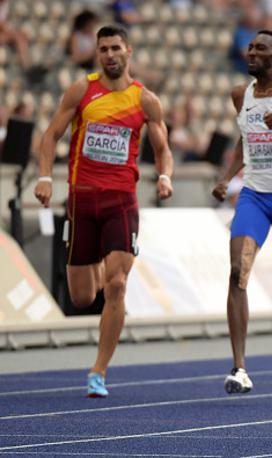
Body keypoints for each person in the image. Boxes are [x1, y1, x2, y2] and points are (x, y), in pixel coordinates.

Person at [34, 24, 174, 398]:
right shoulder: (82, 90)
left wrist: (164, 176)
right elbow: (50, 136)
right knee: (81, 296)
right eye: (103, 49)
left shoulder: (145, 100)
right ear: (98, 54)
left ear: (129, 51)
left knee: (117, 285)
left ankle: (99, 371)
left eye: (115, 47)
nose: (110, 55)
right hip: (81, 201)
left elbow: (163, 147)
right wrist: (45, 177)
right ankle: (101, 258)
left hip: (121, 202)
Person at [211, 30, 272, 394]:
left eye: (260, 48)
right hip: (254, 194)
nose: (251, 52)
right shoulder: (241, 94)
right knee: (238, 269)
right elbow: (244, 137)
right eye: (250, 47)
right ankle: (239, 367)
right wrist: (227, 178)